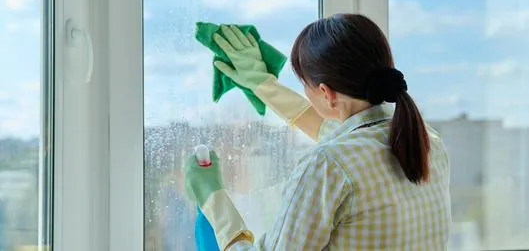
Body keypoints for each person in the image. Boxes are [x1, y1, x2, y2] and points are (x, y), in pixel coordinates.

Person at [184, 14, 451, 250]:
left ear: (325, 92)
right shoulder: (425, 141)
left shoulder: (327, 166)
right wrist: (263, 85)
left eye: (305, 84)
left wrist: (214, 200)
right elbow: (334, 131)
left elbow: (337, 154)